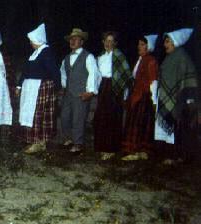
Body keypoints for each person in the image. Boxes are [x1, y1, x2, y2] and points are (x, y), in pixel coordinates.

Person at [154, 28, 198, 164]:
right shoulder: (170, 57)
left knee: (181, 129)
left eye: (168, 42)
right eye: (165, 42)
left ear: (175, 42)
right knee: (173, 129)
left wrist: (188, 100)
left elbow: (189, 80)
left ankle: (179, 157)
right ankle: (172, 155)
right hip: (170, 98)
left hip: (182, 99)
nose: (165, 45)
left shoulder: (182, 57)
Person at [16, 23, 61, 154]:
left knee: (38, 114)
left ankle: (39, 142)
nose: (30, 43)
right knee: (31, 113)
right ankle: (34, 139)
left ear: (38, 40)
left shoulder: (46, 52)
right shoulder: (35, 53)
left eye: (32, 41)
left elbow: (54, 72)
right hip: (31, 88)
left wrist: (56, 88)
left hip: (41, 88)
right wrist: (19, 85)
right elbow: (25, 70)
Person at [60, 28, 101, 154]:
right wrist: (64, 87)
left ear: (81, 42)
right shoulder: (66, 58)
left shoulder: (88, 57)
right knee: (64, 117)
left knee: (79, 119)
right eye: (71, 39)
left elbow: (94, 74)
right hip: (68, 93)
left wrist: (90, 91)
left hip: (81, 94)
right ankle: (69, 139)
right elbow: (63, 73)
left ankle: (78, 144)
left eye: (76, 39)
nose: (72, 41)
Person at [95, 31, 132, 160]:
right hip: (103, 87)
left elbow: (126, 75)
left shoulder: (118, 55)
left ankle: (111, 149)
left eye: (111, 41)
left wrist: (124, 94)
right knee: (101, 117)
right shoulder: (100, 56)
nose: (108, 43)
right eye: (106, 40)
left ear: (115, 43)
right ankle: (102, 147)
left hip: (114, 88)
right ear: (103, 42)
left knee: (112, 118)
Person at [122, 35, 159, 161]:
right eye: (139, 44)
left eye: (142, 44)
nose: (139, 47)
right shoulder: (140, 60)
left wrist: (154, 100)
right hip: (137, 96)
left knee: (139, 123)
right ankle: (138, 151)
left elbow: (153, 81)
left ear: (149, 47)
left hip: (144, 97)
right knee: (136, 123)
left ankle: (138, 151)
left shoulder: (150, 61)